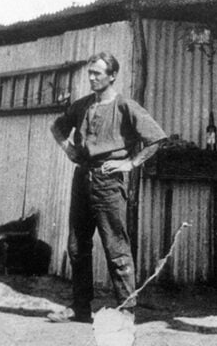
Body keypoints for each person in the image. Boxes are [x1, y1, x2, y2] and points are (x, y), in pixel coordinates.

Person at [47, 52, 166, 323]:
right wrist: (68, 150)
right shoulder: (82, 105)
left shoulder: (125, 106)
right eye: (90, 73)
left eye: (97, 73)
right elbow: (57, 126)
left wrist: (131, 164)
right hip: (83, 179)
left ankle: (125, 311)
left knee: (116, 247)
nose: (92, 78)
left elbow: (156, 139)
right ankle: (80, 308)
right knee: (77, 246)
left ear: (112, 75)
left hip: (108, 182)